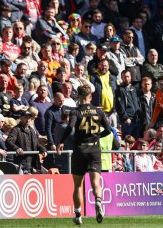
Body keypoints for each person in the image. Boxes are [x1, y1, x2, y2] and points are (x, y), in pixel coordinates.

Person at [57, 85, 119, 225]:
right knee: (95, 182)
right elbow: (109, 131)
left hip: (80, 150)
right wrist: (97, 136)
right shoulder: (99, 112)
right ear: (90, 96)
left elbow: (70, 127)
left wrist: (61, 141)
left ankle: (78, 214)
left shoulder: (76, 112)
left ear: (78, 97)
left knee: (78, 185)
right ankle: (98, 202)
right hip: (94, 150)